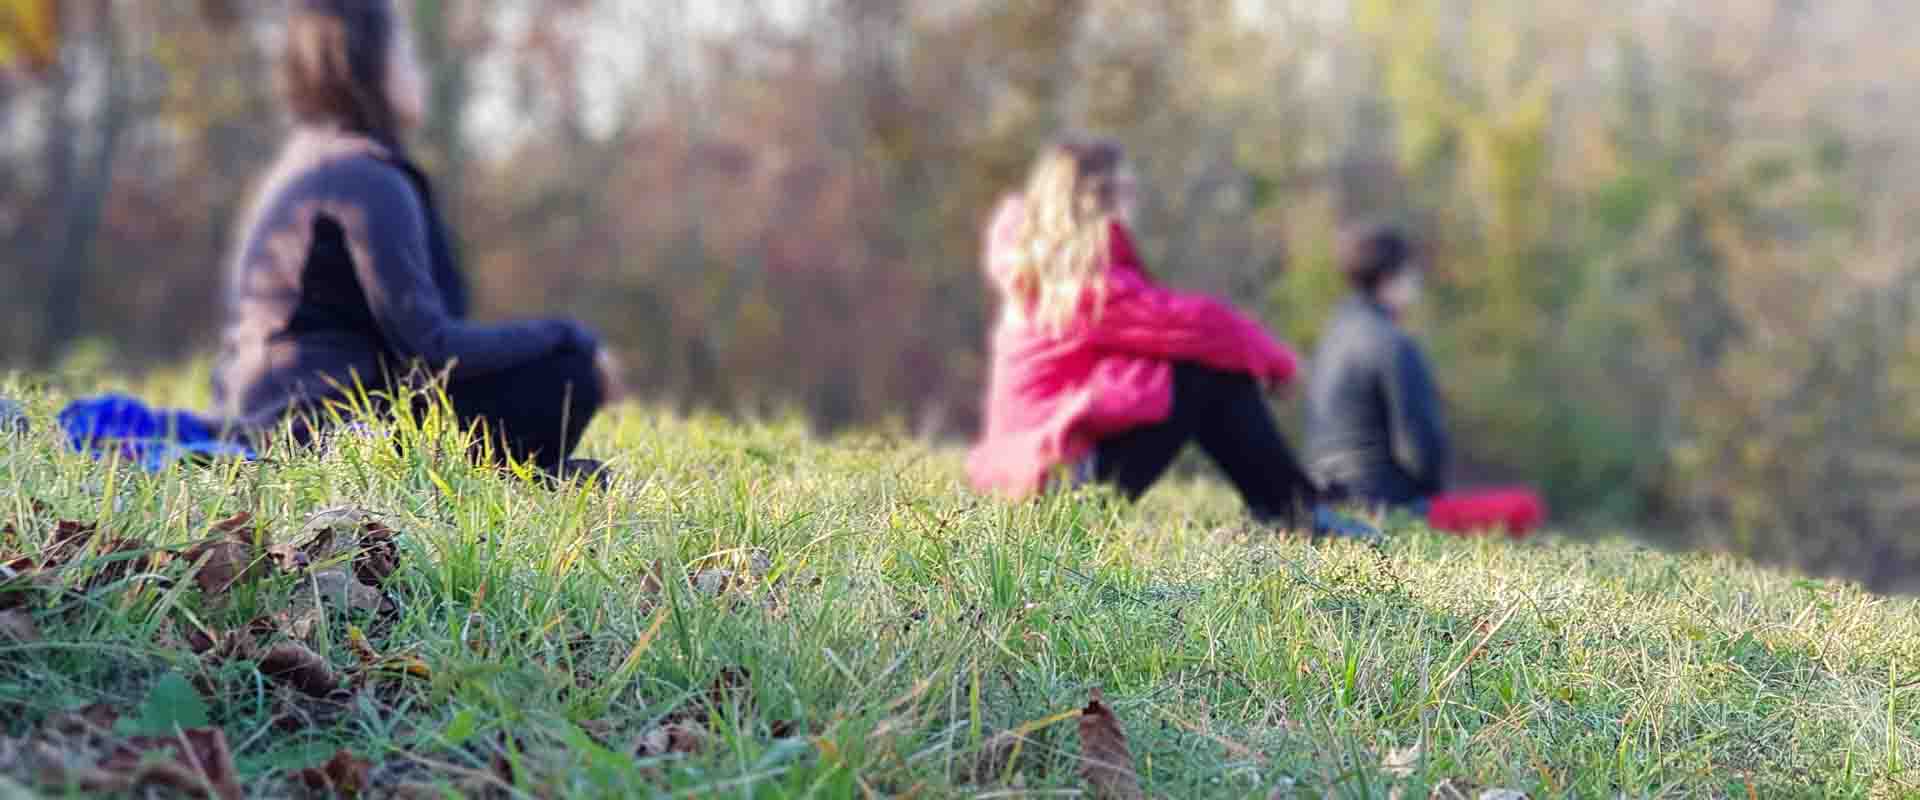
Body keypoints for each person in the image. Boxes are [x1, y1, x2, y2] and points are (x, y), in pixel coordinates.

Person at [210, 0, 621, 477]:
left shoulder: (304, 162)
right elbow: (429, 346)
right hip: (322, 431)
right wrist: (572, 336)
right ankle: (507, 475)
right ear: (364, 64)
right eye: (404, 54)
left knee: (527, 369)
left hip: (262, 411)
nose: (416, 71)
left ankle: (510, 474)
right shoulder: (366, 177)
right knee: (568, 373)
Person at [967, 138, 1372, 537]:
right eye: (1126, 191)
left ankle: (1291, 503)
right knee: (1198, 372)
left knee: (1185, 370)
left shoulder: (1041, 269)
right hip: (1052, 489)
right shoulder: (1078, 284)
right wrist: (1280, 363)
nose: (1133, 204)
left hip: (1031, 479)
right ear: (1097, 200)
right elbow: (1201, 326)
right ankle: (1293, 510)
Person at [1304, 224, 1449, 509]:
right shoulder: (1393, 343)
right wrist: (1433, 496)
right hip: (1383, 497)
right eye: (1411, 273)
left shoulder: (1332, 336)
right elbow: (1421, 446)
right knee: (1525, 506)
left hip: (1325, 490)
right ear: (1389, 278)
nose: (1416, 282)